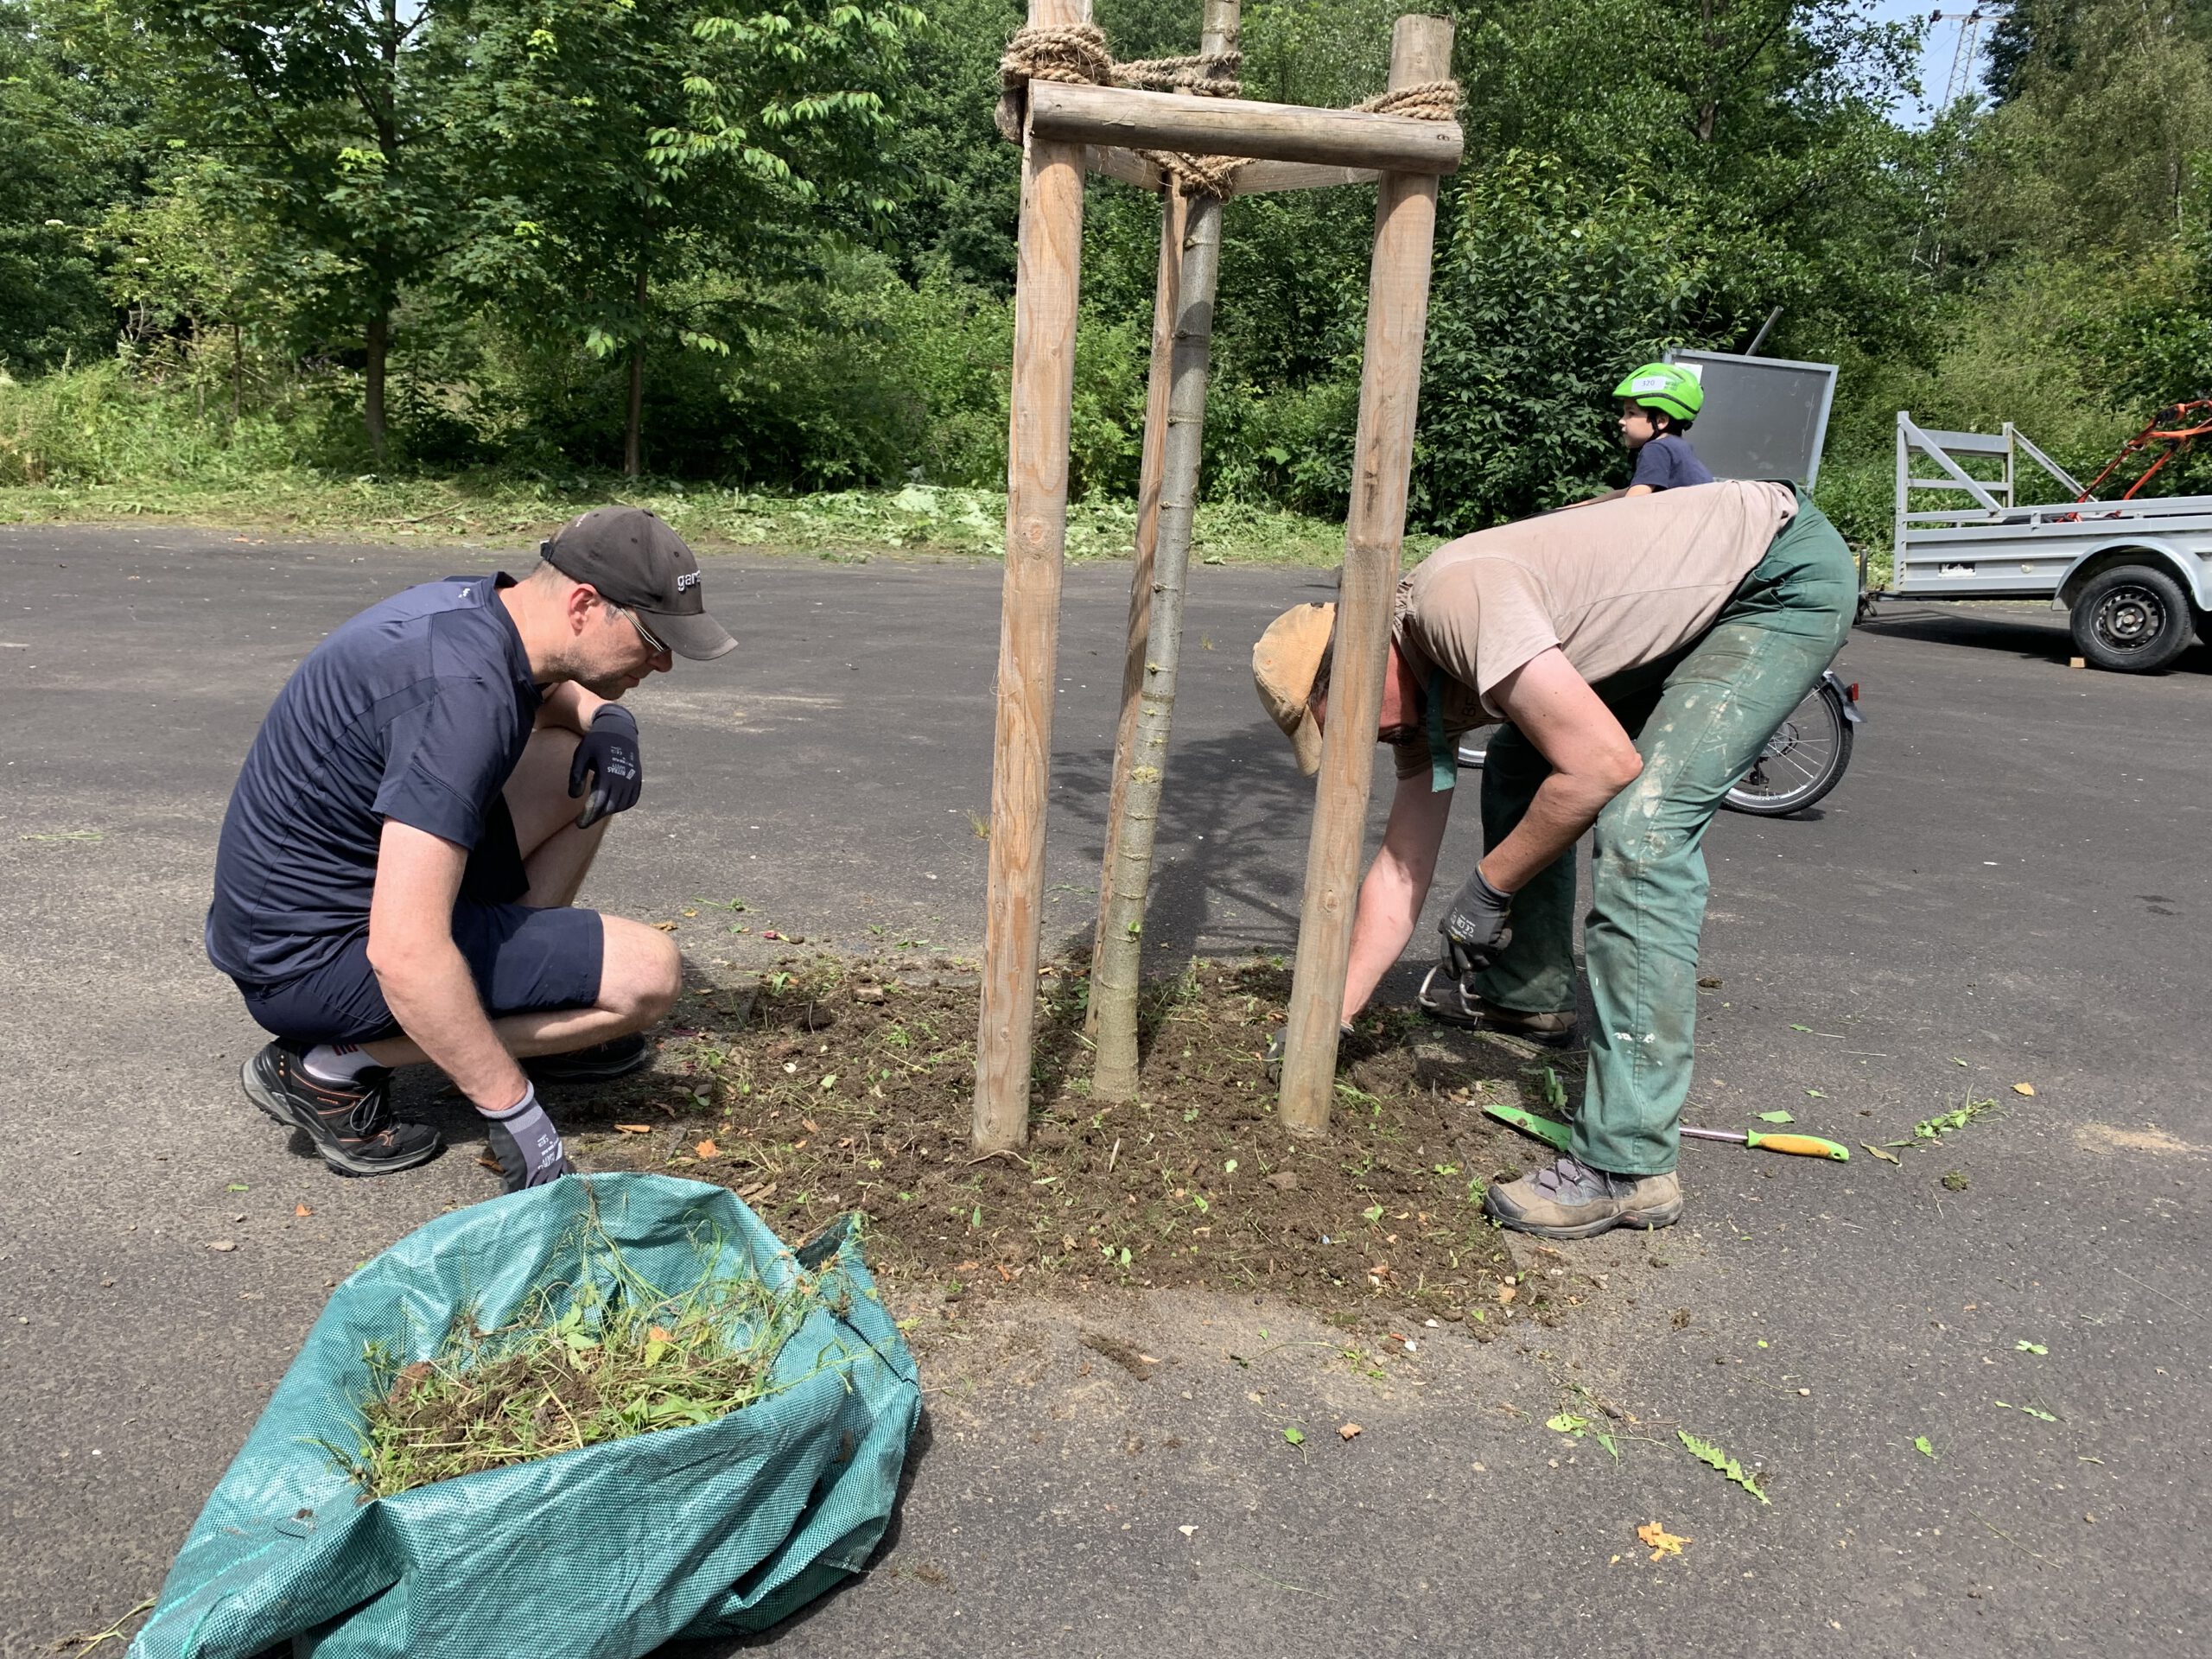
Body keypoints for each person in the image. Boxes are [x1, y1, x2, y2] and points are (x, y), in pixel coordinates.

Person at [1253, 480, 1853, 1240]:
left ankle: (1628, 1167)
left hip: (1773, 580)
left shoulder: (1454, 605)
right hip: (1708, 592)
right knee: (1518, 762)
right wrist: (1329, 1017)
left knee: (1645, 827)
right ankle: (1531, 992)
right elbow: (1401, 867)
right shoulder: (1420, 698)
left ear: (1365, 668)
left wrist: (1489, 885)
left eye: (1343, 730)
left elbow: (1601, 767)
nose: (1358, 750)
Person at [206, 505, 737, 1191]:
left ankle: (504, 1012)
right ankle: (330, 1067)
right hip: (310, 960)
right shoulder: (460, 699)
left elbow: (549, 696)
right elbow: (404, 950)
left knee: (578, 767)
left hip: (302, 906)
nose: (662, 663)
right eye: (651, 638)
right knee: (648, 976)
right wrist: (513, 1109)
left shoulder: (479, 613)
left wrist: (608, 718)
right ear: (584, 603)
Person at [1614, 361, 1713, 494]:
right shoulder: (1677, 447)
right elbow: (1624, 493)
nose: (1621, 421)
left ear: (1661, 420)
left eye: (1631, 413)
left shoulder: (1657, 448)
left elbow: (1633, 501)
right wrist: (1579, 507)